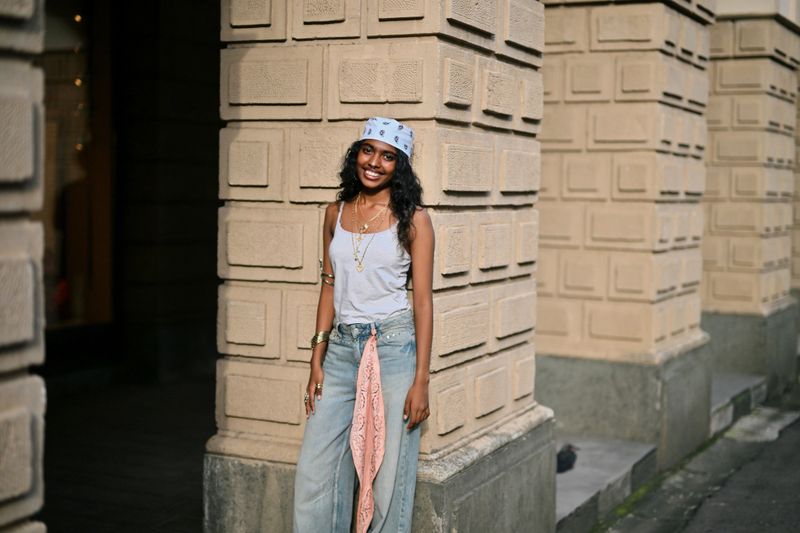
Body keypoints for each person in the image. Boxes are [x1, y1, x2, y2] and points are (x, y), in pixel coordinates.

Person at [293, 117, 434, 533]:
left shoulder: (415, 220)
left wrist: (421, 379)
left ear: (400, 165)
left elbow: (422, 301)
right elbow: (328, 285)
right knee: (315, 474)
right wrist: (316, 359)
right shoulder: (334, 213)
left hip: (392, 349)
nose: (374, 162)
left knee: (388, 476)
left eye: (387, 156)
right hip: (339, 351)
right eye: (368, 151)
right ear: (356, 154)